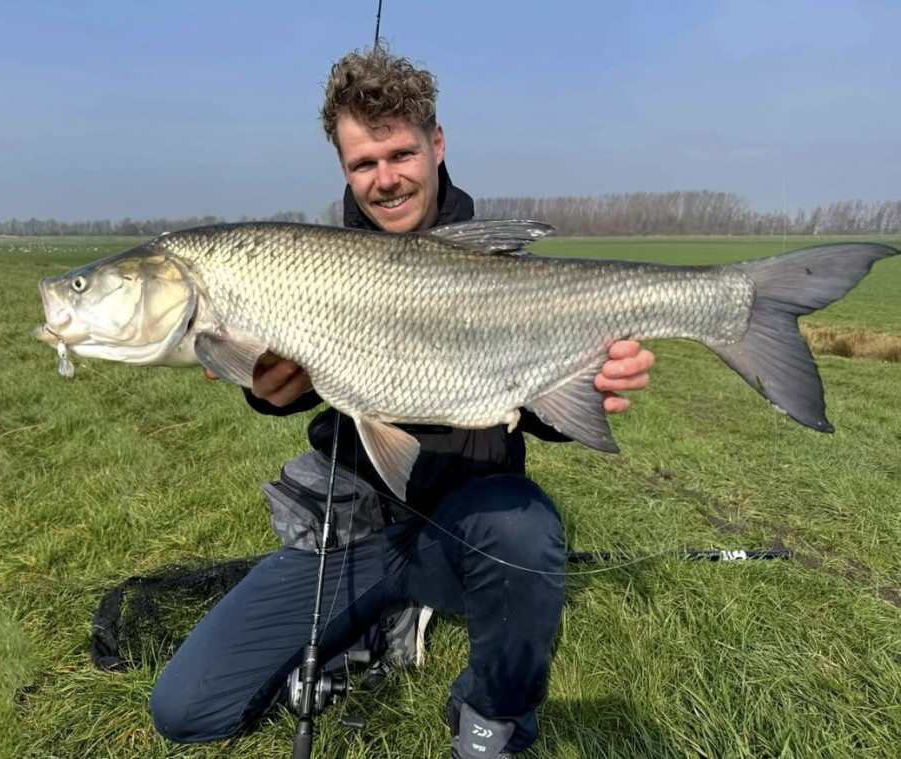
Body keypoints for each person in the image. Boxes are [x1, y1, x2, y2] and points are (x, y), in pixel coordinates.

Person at [149, 46, 654, 758]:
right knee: (184, 708)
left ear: (437, 145)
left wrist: (583, 387)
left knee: (526, 528)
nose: (384, 179)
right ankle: (379, 624)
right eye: (363, 163)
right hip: (350, 528)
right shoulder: (309, 270)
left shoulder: (499, 266)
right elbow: (275, 377)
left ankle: (490, 721)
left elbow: (530, 403)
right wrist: (265, 394)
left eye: (400, 153)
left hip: (466, 521)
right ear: (344, 170)